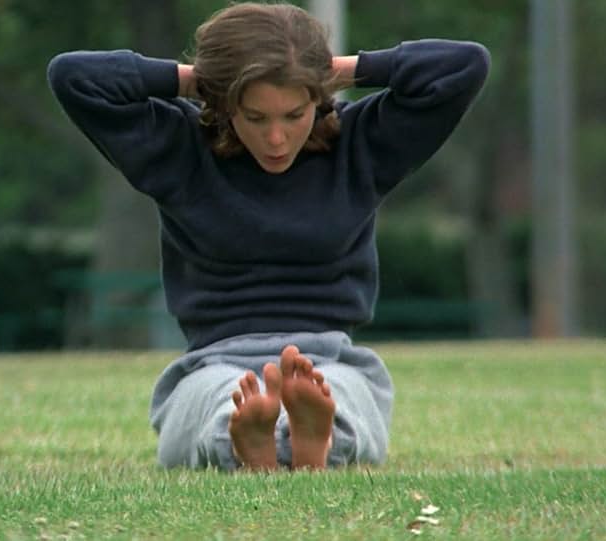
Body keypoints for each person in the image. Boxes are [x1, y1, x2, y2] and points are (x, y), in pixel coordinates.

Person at [47, 2, 489, 471]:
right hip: (213, 363)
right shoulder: (178, 150)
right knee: (220, 403)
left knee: (342, 398)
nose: (276, 138)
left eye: (294, 114)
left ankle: (301, 439)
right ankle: (254, 438)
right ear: (224, 107)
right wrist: (200, 80)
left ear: (318, 100)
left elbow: (465, 65)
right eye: (256, 117)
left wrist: (335, 70)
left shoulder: (359, 146)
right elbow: (73, 76)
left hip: (329, 358)